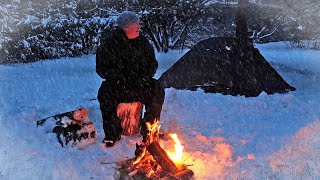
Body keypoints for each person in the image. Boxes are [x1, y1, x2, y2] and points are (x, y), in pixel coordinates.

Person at [96, 11, 165, 147]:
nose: (139, 26)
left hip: (139, 83)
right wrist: (119, 77)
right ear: (126, 27)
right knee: (105, 94)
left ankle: (150, 129)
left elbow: (152, 64)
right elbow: (101, 68)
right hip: (118, 85)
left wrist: (143, 76)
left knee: (157, 89)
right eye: (136, 24)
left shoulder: (143, 42)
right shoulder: (109, 44)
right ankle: (112, 134)